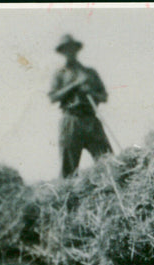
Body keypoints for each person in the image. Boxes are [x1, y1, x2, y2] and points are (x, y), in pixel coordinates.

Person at [48, 34, 112, 178]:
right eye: (66, 49)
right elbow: (53, 97)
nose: (69, 52)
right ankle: (68, 198)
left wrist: (91, 92)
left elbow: (104, 96)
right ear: (62, 52)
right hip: (71, 120)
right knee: (69, 171)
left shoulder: (90, 73)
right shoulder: (60, 74)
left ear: (77, 50)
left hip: (91, 119)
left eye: (72, 48)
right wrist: (74, 85)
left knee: (108, 162)